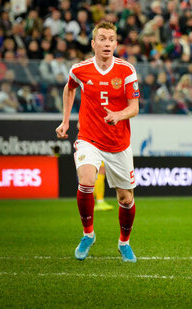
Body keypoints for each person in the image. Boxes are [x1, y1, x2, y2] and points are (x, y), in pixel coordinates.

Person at [55, 20, 140, 262]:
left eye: (111, 39)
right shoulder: (79, 70)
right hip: (89, 138)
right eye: (102, 39)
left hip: (118, 143)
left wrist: (118, 115)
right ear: (93, 43)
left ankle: (124, 243)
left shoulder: (126, 70)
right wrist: (65, 121)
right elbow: (69, 88)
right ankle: (88, 234)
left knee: (126, 198)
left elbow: (134, 107)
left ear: (116, 43)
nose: (107, 43)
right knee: (86, 181)